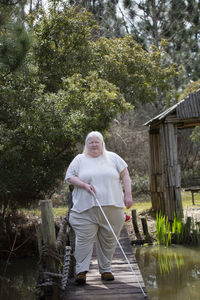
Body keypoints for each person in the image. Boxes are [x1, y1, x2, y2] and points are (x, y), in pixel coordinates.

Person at [65, 131, 133, 285]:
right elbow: (70, 176)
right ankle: (81, 271)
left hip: (112, 206)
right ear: (86, 144)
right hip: (85, 209)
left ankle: (106, 269)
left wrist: (128, 195)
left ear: (102, 143)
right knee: (83, 240)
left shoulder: (113, 158)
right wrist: (83, 185)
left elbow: (126, 176)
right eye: (91, 142)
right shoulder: (79, 159)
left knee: (109, 240)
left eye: (97, 141)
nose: (94, 144)